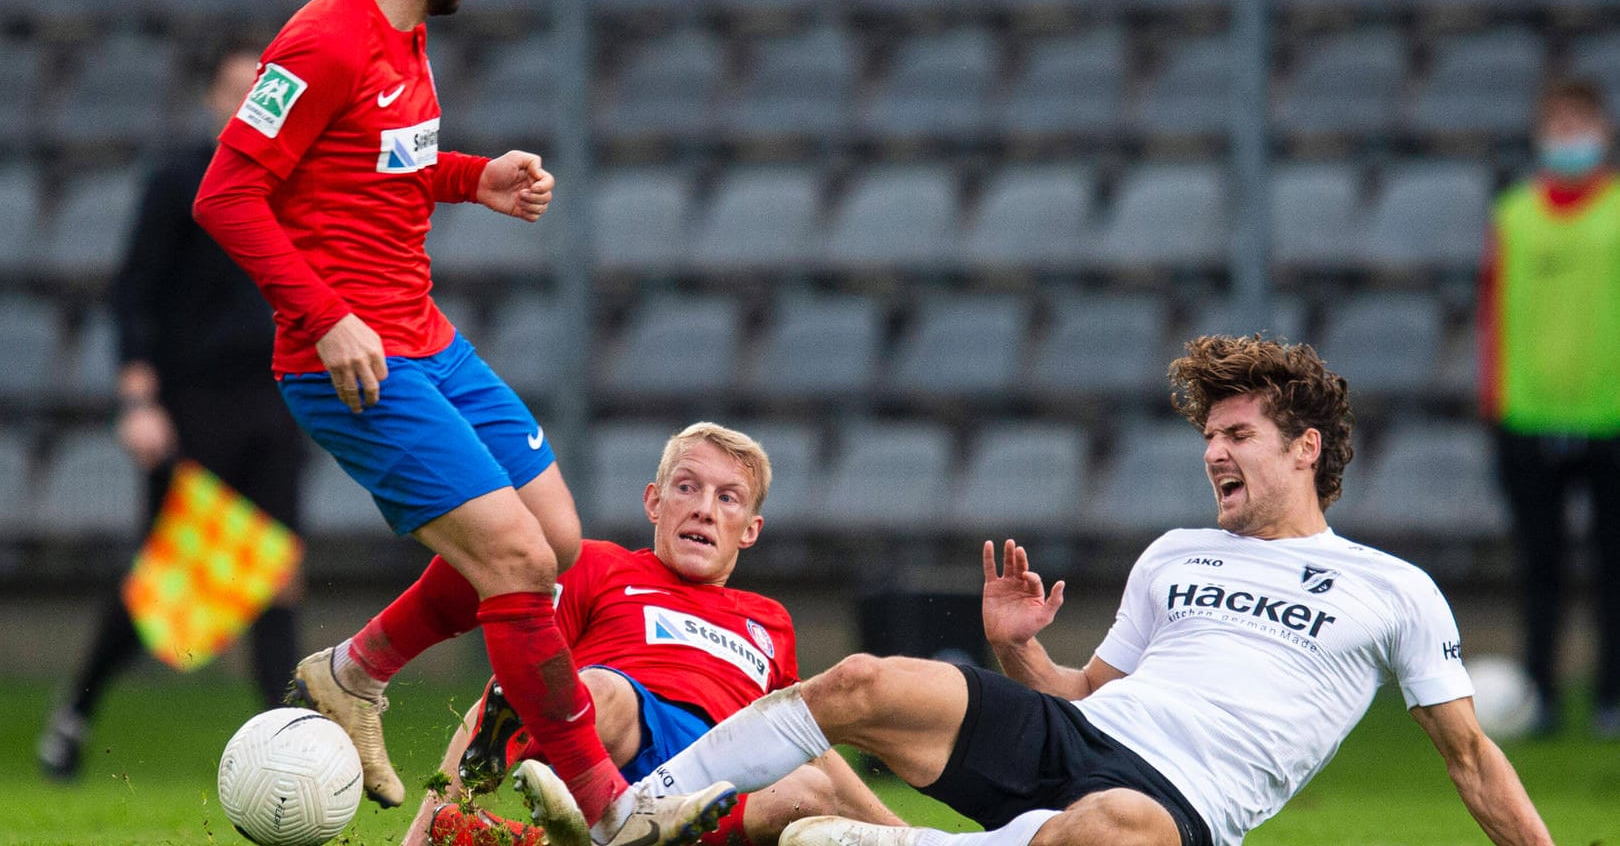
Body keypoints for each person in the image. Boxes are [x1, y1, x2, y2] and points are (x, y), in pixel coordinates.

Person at [191, 0, 733, 846]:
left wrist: (473, 177)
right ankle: (613, 808)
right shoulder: (323, 40)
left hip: (424, 335)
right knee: (521, 565)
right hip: (348, 358)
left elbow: (380, 166)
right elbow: (226, 194)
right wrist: (326, 313)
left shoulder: (404, 37)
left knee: (558, 541)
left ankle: (352, 673)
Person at [526, 336, 1555, 846]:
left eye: (1237, 435)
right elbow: (1082, 701)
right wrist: (1020, 651)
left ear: (1306, 448)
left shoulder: (1396, 589)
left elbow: (1470, 760)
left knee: (1112, 825)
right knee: (866, 681)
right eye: (1208, 437)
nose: (1214, 454)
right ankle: (637, 814)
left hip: (1174, 807)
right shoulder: (1177, 555)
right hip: (1088, 743)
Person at [411, 422, 897, 846]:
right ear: (654, 501)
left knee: (805, 792)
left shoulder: (769, 620)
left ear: (750, 529)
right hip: (612, 752)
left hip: (718, 771)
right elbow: (519, 684)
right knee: (602, 689)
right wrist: (425, 824)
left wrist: (897, 830)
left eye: (727, 498)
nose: (704, 509)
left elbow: (800, 733)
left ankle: (560, 840)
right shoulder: (597, 565)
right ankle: (604, 819)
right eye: (687, 488)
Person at [37, 40, 307, 780]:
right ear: (211, 99)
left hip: (277, 398)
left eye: (262, 92)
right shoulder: (178, 181)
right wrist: (139, 398)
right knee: (164, 580)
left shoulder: (293, 181)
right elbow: (133, 293)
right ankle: (75, 712)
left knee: (275, 574)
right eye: (233, 89)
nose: (248, 103)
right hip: (191, 405)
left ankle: (283, 755)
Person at [1479, 76, 1620, 737]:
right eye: (1557, 125)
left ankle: (1610, 699)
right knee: (1539, 566)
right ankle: (1539, 697)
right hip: (1527, 417)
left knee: (1615, 565)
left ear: (1603, 130)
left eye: (1579, 123)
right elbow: (1491, 315)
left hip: (1612, 416)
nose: (1568, 137)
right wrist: (1497, 403)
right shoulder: (1514, 215)